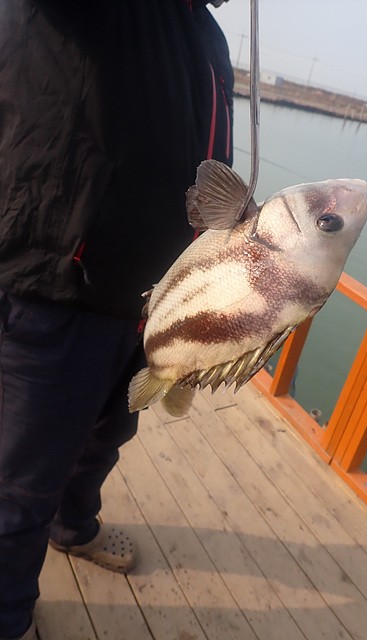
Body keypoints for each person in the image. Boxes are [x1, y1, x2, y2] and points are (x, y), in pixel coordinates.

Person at [0, 1, 233, 638]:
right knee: (20, 484)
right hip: (57, 287)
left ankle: (72, 526)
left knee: (106, 435)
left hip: (148, 303)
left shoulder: (204, 32)